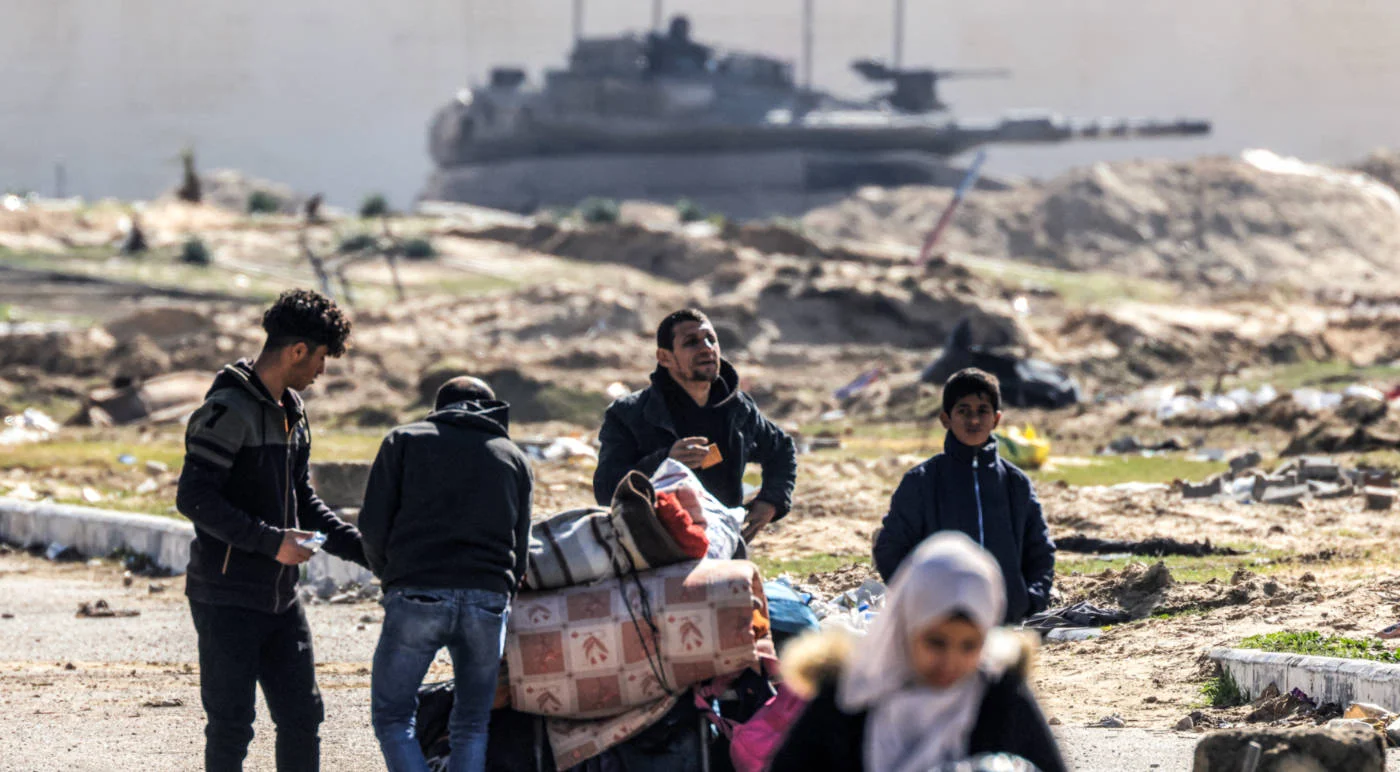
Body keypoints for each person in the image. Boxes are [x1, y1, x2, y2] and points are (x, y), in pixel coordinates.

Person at [175, 288, 367, 772]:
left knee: (304, 717)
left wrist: (372, 553)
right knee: (232, 726)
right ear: (298, 351)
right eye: (322, 358)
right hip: (226, 597)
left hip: (281, 598)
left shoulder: (294, 413)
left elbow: (304, 503)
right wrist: (270, 542)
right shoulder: (227, 410)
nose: (323, 370)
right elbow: (194, 498)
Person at [770, 532, 1066, 772]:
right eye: (936, 642)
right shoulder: (850, 698)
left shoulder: (1000, 697)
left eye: (969, 646)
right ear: (906, 627)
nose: (951, 661)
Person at [359, 375, 534, 772]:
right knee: (472, 724)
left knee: (393, 716)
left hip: (416, 594)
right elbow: (520, 546)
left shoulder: (403, 440)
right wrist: (503, 592)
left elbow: (372, 527)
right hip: (488, 601)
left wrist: (391, 577)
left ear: (438, 406)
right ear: (493, 409)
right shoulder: (513, 455)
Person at [593, 308, 797, 543]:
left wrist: (771, 501)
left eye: (711, 339)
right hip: (655, 543)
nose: (706, 348)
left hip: (721, 542)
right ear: (665, 357)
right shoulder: (629, 415)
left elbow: (781, 449)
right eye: (691, 342)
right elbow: (606, 490)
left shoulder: (737, 409)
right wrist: (664, 462)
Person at [873, 368, 1055, 623]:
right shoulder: (922, 481)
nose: (974, 420)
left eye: (982, 411)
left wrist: (1029, 600)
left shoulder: (1015, 483)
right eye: (963, 411)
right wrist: (918, 600)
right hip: (941, 627)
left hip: (1007, 625)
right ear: (945, 419)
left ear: (996, 419)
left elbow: (1040, 550)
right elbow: (890, 548)